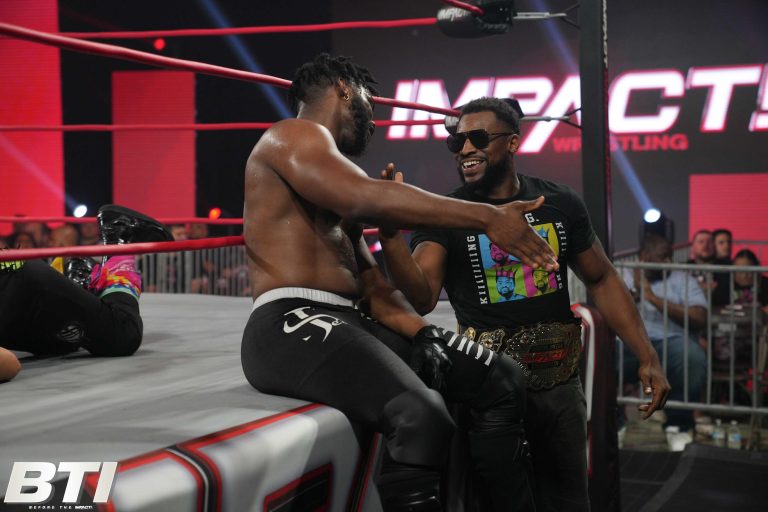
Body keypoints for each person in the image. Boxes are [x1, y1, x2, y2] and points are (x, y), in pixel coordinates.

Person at [240, 54, 560, 512]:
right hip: (289, 321)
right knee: (419, 414)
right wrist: (488, 217)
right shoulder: (292, 135)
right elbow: (364, 198)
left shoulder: (326, 173)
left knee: (500, 377)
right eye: (369, 102)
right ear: (344, 88)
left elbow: (372, 284)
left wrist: (423, 333)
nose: (372, 120)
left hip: (348, 318)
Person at [378, 97, 670, 511]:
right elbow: (421, 297)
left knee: (569, 503)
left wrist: (647, 355)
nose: (465, 149)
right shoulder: (449, 213)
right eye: (457, 141)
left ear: (513, 142)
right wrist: (391, 237)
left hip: (559, 390)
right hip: (489, 394)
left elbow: (601, 278)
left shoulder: (559, 202)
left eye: (478, 138)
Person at [0, 205, 172, 370]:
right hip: (13, 286)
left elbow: (10, 366)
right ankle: (78, 275)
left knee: (123, 334)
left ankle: (119, 238)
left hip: (20, 287)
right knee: (61, 344)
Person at [621, 234, 707, 451]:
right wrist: (634, 295)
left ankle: (679, 425)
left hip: (671, 341)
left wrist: (652, 297)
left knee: (692, 357)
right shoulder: (622, 275)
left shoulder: (682, 279)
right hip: (629, 342)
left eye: (670, 256)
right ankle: (613, 425)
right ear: (644, 256)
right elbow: (608, 308)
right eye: (662, 257)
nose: (668, 262)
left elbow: (700, 317)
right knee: (603, 356)